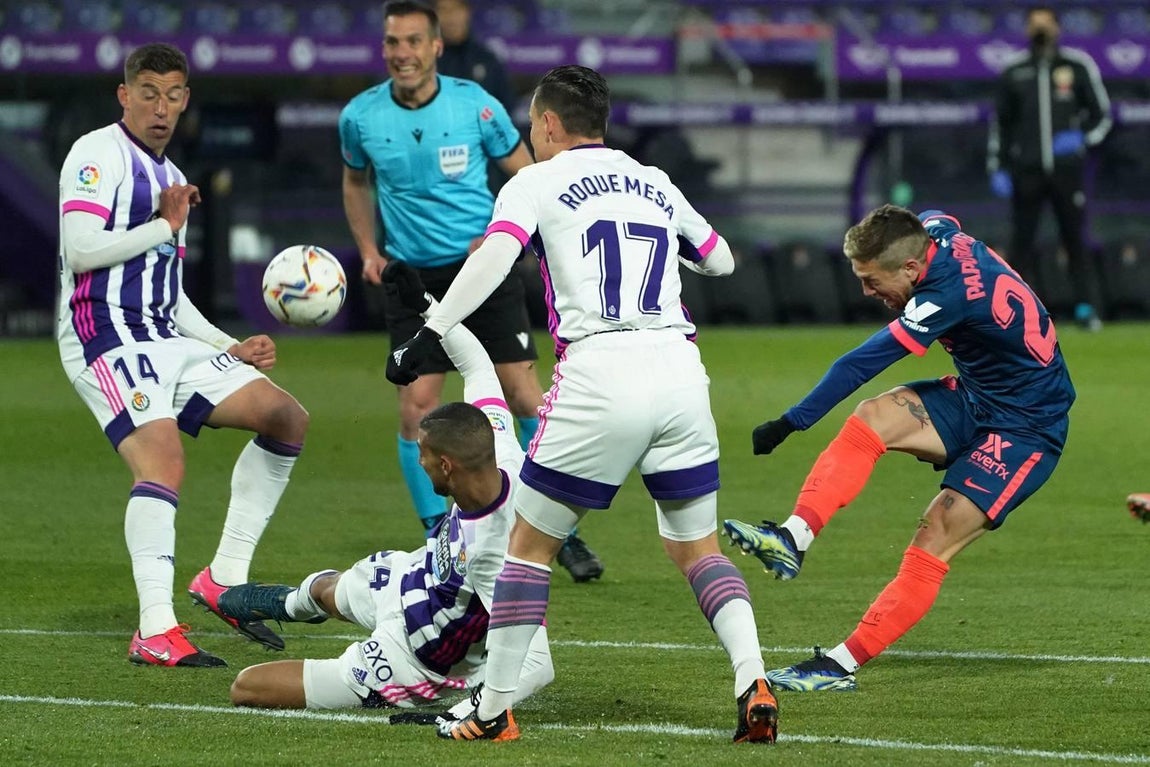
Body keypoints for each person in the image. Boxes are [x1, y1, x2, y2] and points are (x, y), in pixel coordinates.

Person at [386, 64, 779, 744]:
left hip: (602, 372)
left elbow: (493, 258)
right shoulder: (653, 180)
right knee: (698, 549)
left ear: (545, 123)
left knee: (527, 546)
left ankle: (491, 709)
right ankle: (754, 677)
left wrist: (435, 328)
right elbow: (720, 262)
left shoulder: (534, 181)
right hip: (680, 370)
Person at [724, 205, 1074, 691]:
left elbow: (860, 362)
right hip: (976, 396)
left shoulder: (945, 294)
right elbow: (938, 215)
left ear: (911, 268)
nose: (867, 292)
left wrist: (791, 421)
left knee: (936, 532)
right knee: (876, 415)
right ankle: (792, 539)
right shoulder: (933, 237)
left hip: (1027, 428)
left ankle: (839, 665)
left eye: (873, 281)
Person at [56, 42, 309, 667]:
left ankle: (223, 580)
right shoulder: (95, 154)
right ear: (125, 96)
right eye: (148, 93)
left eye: (172, 95)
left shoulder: (171, 180)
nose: (160, 107)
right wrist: (163, 227)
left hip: (164, 336)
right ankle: (154, 627)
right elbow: (82, 250)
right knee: (162, 461)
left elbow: (169, 292)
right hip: (103, 334)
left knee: (286, 418)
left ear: (186, 100)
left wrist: (229, 344)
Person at [341, 1, 603, 583]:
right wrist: (366, 250)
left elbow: (528, 170)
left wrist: (547, 234)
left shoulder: (475, 105)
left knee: (525, 396)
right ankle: (438, 531)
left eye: (412, 41)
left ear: (436, 46)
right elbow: (355, 180)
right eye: (392, 42)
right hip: (412, 279)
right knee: (416, 405)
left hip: (483, 266)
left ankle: (559, 530)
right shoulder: (360, 117)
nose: (401, 53)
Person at [221, 262, 553, 718]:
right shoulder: (498, 445)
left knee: (248, 687)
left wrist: (461, 712)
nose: (417, 462)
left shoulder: (503, 552)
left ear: (448, 466)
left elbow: (537, 663)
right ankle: (286, 602)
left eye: (424, 456)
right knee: (328, 591)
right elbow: (477, 364)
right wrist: (425, 309)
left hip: (415, 660)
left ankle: (359, 670)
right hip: (410, 578)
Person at [987, 4, 1112, 331]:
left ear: (1057, 27)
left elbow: (1103, 116)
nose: (1040, 30)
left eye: (1046, 24)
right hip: (1025, 171)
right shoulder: (1014, 71)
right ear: (1027, 29)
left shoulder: (1076, 65)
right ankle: (1008, 317)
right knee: (1020, 245)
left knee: (1074, 240)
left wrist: (1081, 139)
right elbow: (1000, 124)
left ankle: (1086, 309)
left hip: (1066, 171)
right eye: (1034, 24)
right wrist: (997, 166)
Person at [435, 0, 514, 112]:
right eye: (443, 10)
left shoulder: (488, 60)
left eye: (456, 9)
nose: (450, 17)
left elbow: (505, 109)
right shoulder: (427, 60)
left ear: (467, 12)